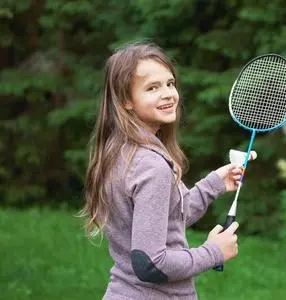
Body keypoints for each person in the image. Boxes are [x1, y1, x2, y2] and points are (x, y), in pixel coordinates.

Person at [80, 42, 254, 299]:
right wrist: (213, 252)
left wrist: (214, 184)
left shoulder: (121, 151)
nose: (168, 94)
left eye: (170, 83)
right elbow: (150, 263)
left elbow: (168, 218)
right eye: (152, 87)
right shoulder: (151, 166)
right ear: (126, 100)